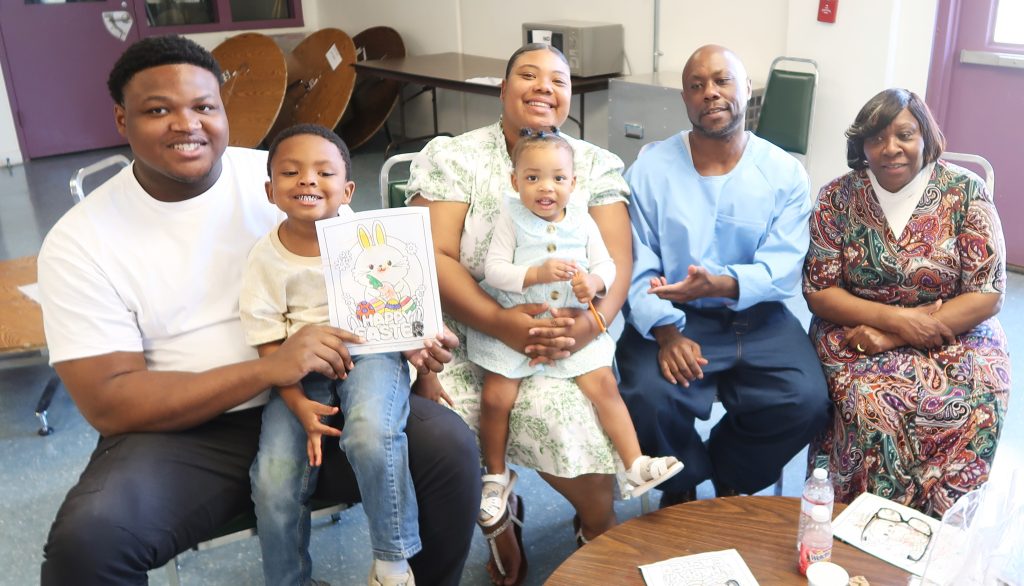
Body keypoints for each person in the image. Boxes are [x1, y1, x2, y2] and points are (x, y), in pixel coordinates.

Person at [35, 35, 478, 586]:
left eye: (203, 106)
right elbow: (110, 401)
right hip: (185, 431)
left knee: (450, 449)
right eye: (157, 110)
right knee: (89, 545)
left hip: (328, 398)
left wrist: (412, 343)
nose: (186, 124)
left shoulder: (286, 173)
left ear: (224, 111)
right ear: (122, 121)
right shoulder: (80, 241)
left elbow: (367, 274)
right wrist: (270, 369)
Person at [407, 44, 633, 585]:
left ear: (570, 96)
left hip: (568, 336)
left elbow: (617, 262)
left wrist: (584, 328)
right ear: (503, 89)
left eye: (557, 79)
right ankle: (502, 522)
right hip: (463, 336)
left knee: (578, 424)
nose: (542, 87)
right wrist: (501, 322)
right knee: (447, 429)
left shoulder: (594, 163)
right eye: (527, 75)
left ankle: (595, 531)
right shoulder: (455, 156)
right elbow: (430, 254)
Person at [616, 44, 831, 506]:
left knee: (806, 399)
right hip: (674, 316)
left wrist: (725, 284)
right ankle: (682, 483)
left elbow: (783, 267)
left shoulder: (783, 173)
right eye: (696, 86)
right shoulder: (650, 169)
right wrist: (667, 331)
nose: (709, 93)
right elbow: (636, 263)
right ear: (685, 99)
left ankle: (730, 469)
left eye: (722, 80)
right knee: (646, 393)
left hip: (757, 317)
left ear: (748, 89)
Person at [803, 88, 1010, 517]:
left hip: (954, 330)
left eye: (904, 135)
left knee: (981, 398)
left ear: (925, 138)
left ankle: (939, 535)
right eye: (877, 138)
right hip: (855, 331)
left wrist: (891, 336)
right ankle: (856, 528)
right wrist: (894, 321)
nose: (891, 148)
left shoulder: (965, 192)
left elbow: (988, 291)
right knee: (871, 404)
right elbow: (819, 291)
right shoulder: (836, 198)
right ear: (860, 145)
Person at [241, 124, 430, 586]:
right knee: (272, 479)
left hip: (370, 353)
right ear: (270, 191)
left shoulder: (368, 239)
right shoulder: (264, 259)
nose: (307, 180)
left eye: (323, 172)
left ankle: (391, 561)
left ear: (347, 190)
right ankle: (287, 581)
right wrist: (297, 403)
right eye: (291, 172)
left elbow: (401, 299)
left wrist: (420, 344)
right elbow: (268, 342)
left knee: (369, 433)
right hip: (298, 372)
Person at [469, 129, 682, 535]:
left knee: (604, 386)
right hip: (519, 325)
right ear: (516, 183)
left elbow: (607, 266)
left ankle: (635, 464)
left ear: (573, 183)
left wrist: (593, 284)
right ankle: (495, 476)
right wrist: (533, 273)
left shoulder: (584, 221)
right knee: (496, 397)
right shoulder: (510, 218)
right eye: (532, 178)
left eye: (557, 178)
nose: (545, 188)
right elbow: (494, 269)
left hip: (572, 329)